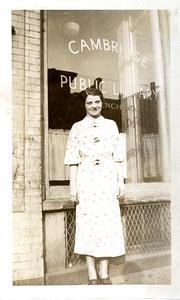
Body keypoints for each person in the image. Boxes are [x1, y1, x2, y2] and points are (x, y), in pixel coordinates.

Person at [64, 87, 125, 285]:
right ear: (84, 105)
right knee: (88, 224)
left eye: (97, 102)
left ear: (102, 102)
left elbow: (118, 157)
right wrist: (73, 187)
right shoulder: (77, 127)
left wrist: (120, 181)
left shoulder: (111, 125)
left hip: (107, 179)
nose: (94, 106)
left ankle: (104, 271)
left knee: (107, 223)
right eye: (89, 102)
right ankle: (92, 273)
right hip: (87, 180)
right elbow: (73, 159)